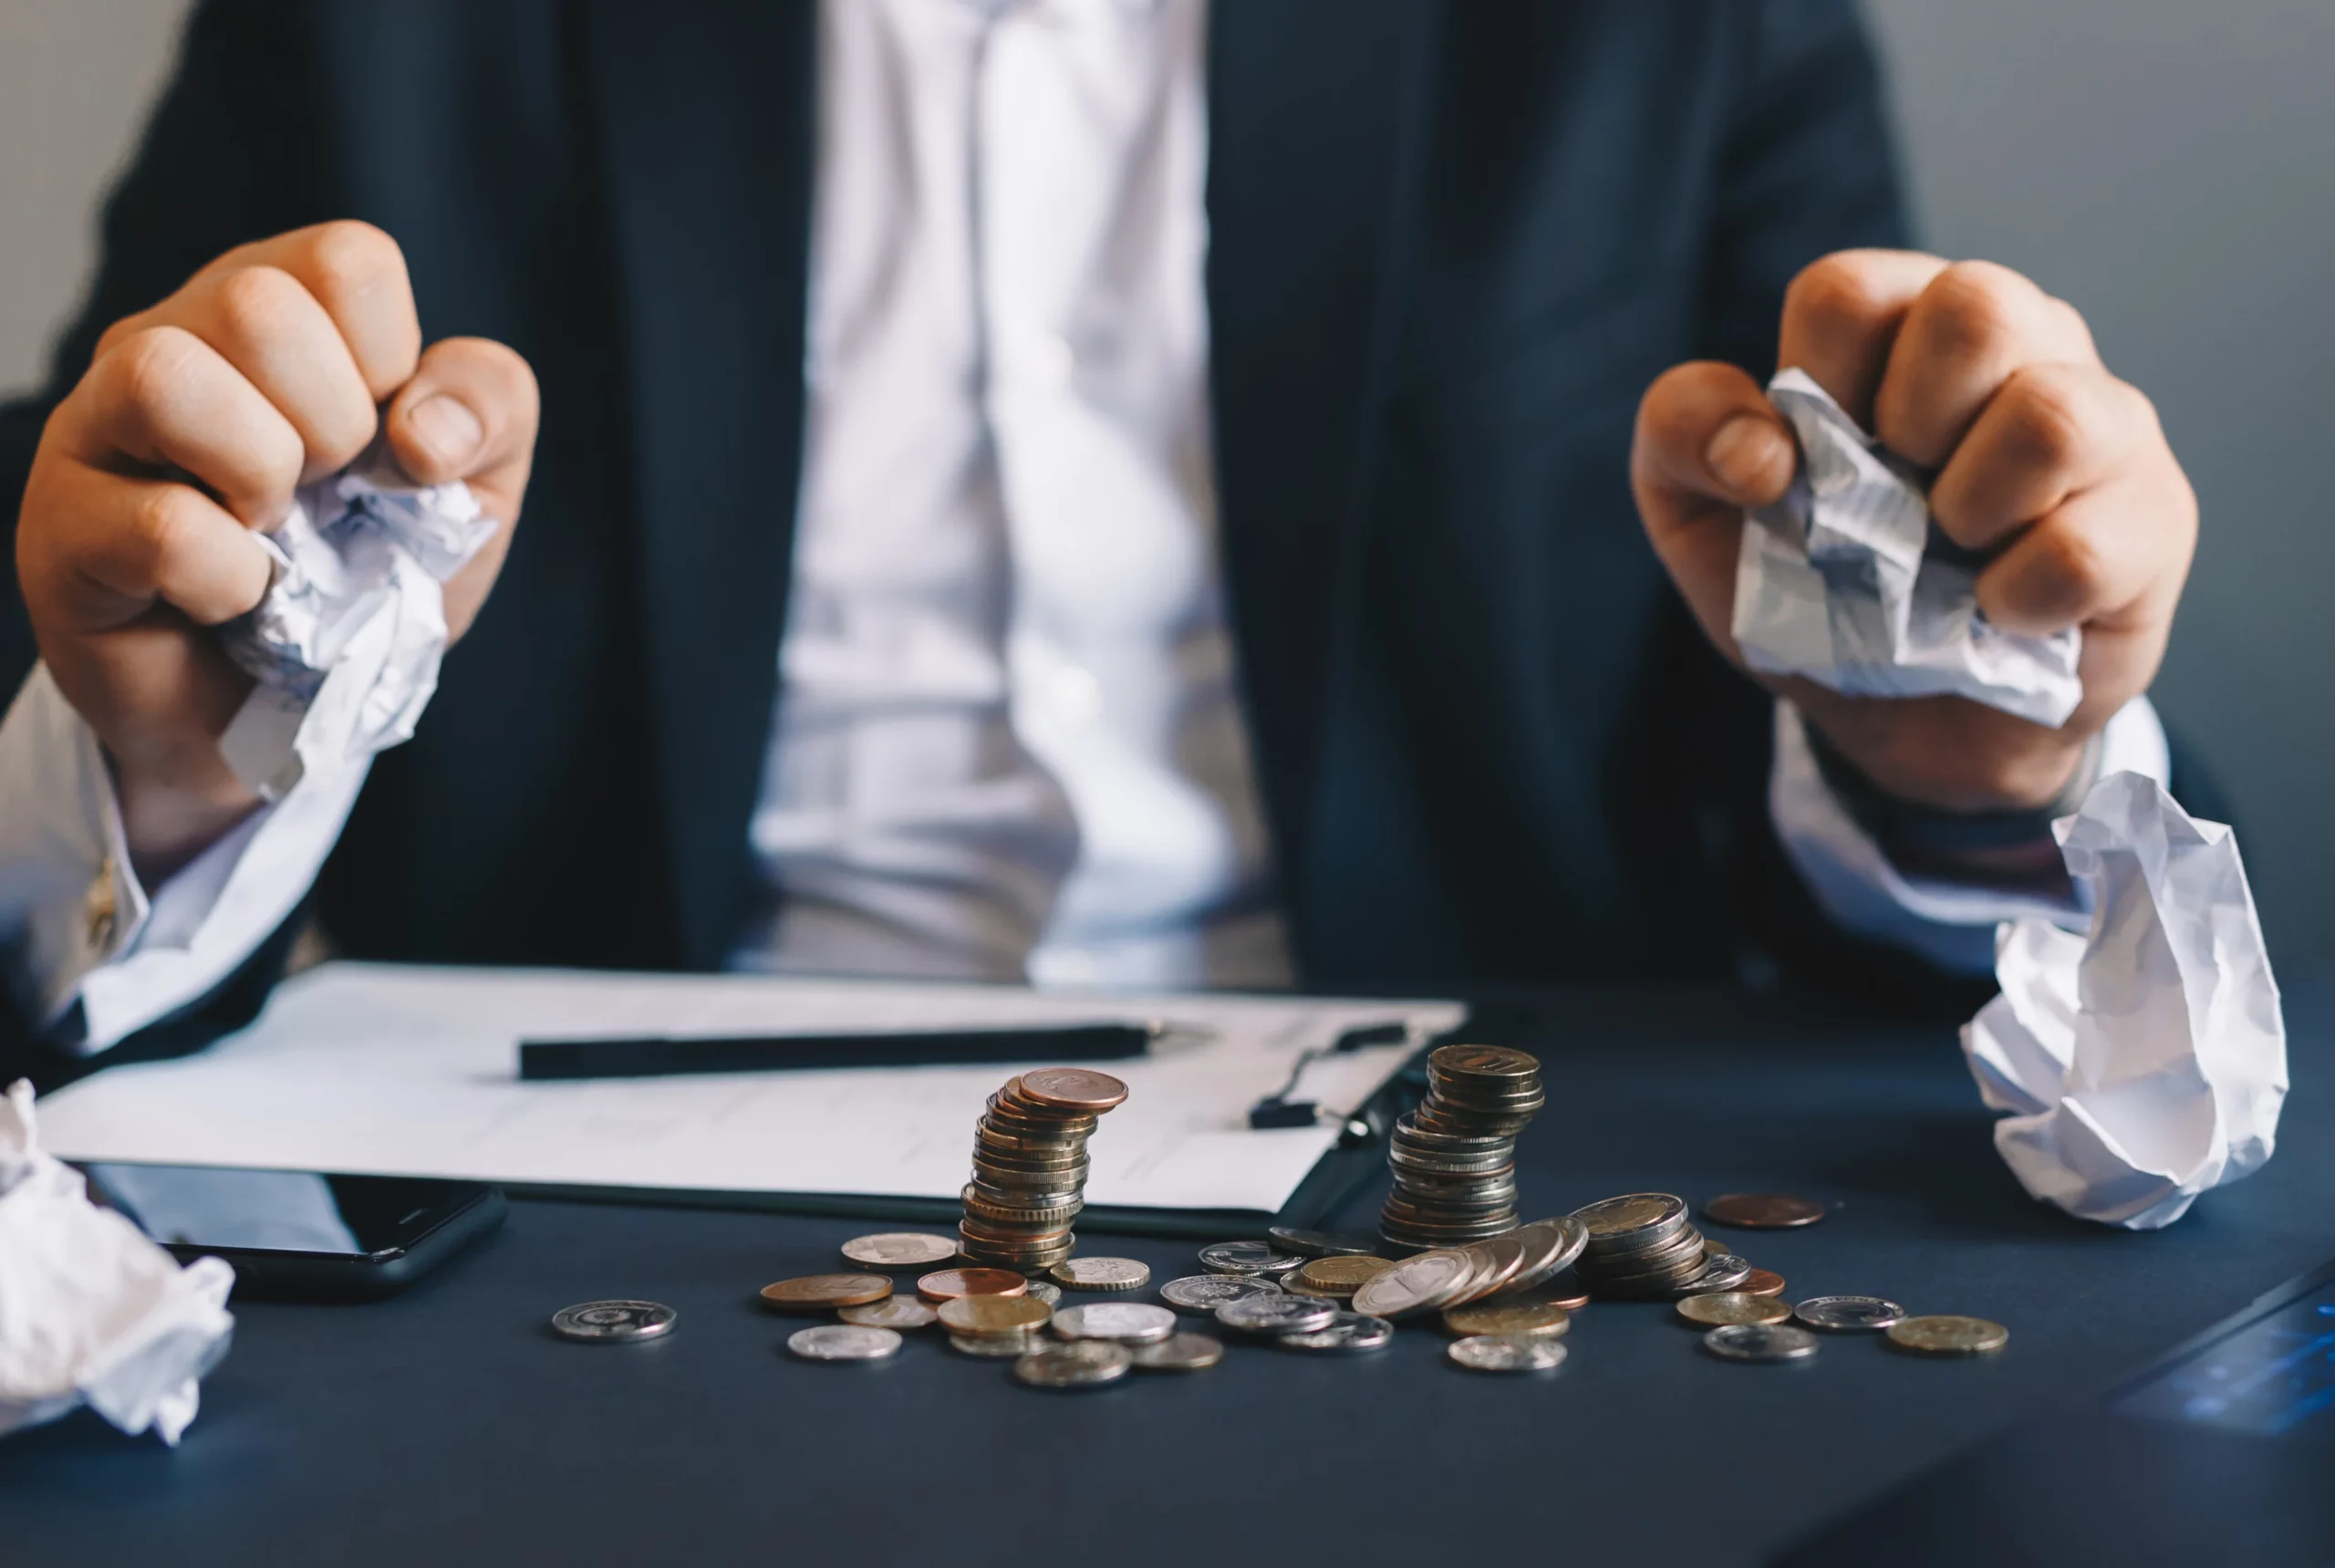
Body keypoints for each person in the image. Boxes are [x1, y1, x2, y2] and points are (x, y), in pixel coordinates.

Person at [0, 1, 2201, 1087]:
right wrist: (175, 762)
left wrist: (1961, 760)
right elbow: (133, 544)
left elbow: (1871, 579)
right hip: (561, 1252)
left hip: (1476, 1206)